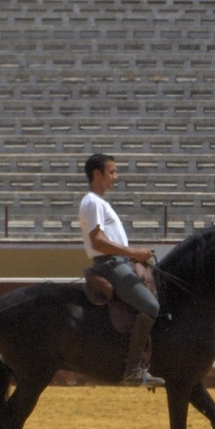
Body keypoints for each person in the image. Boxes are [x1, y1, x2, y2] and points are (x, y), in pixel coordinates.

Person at [78, 152, 164, 386]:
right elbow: (98, 242)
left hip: (118, 262)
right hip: (111, 265)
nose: (116, 176)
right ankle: (133, 369)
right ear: (97, 174)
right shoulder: (93, 202)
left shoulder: (99, 202)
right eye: (112, 172)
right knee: (150, 305)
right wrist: (133, 253)